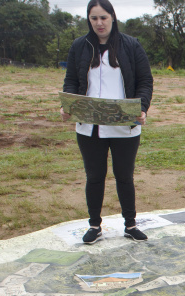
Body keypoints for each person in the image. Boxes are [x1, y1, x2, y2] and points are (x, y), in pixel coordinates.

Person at [62, 0, 153, 244]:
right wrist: (67, 106)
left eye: (103, 17)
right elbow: (71, 80)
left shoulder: (131, 45)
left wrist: (142, 107)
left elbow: (145, 81)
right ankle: (94, 226)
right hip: (89, 127)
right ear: (88, 20)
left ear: (112, 17)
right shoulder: (80, 46)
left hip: (124, 126)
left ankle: (130, 225)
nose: (99, 23)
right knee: (94, 176)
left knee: (124, 176)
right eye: (94, 18)